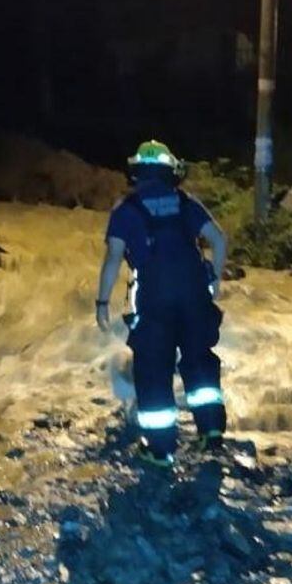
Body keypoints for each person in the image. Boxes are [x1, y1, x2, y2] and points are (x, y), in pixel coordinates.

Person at [96, 140, 229, 467]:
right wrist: (216, 280)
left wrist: (102, 302)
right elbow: (219, 240)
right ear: (171, 170)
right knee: (199, 360)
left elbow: (113, 259)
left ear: (137, 172)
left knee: (154, 369)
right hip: (195, 294)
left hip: (154, 300)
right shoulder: (185, 202)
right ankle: (211, 433)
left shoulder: (126, 210)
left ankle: (160, 450)